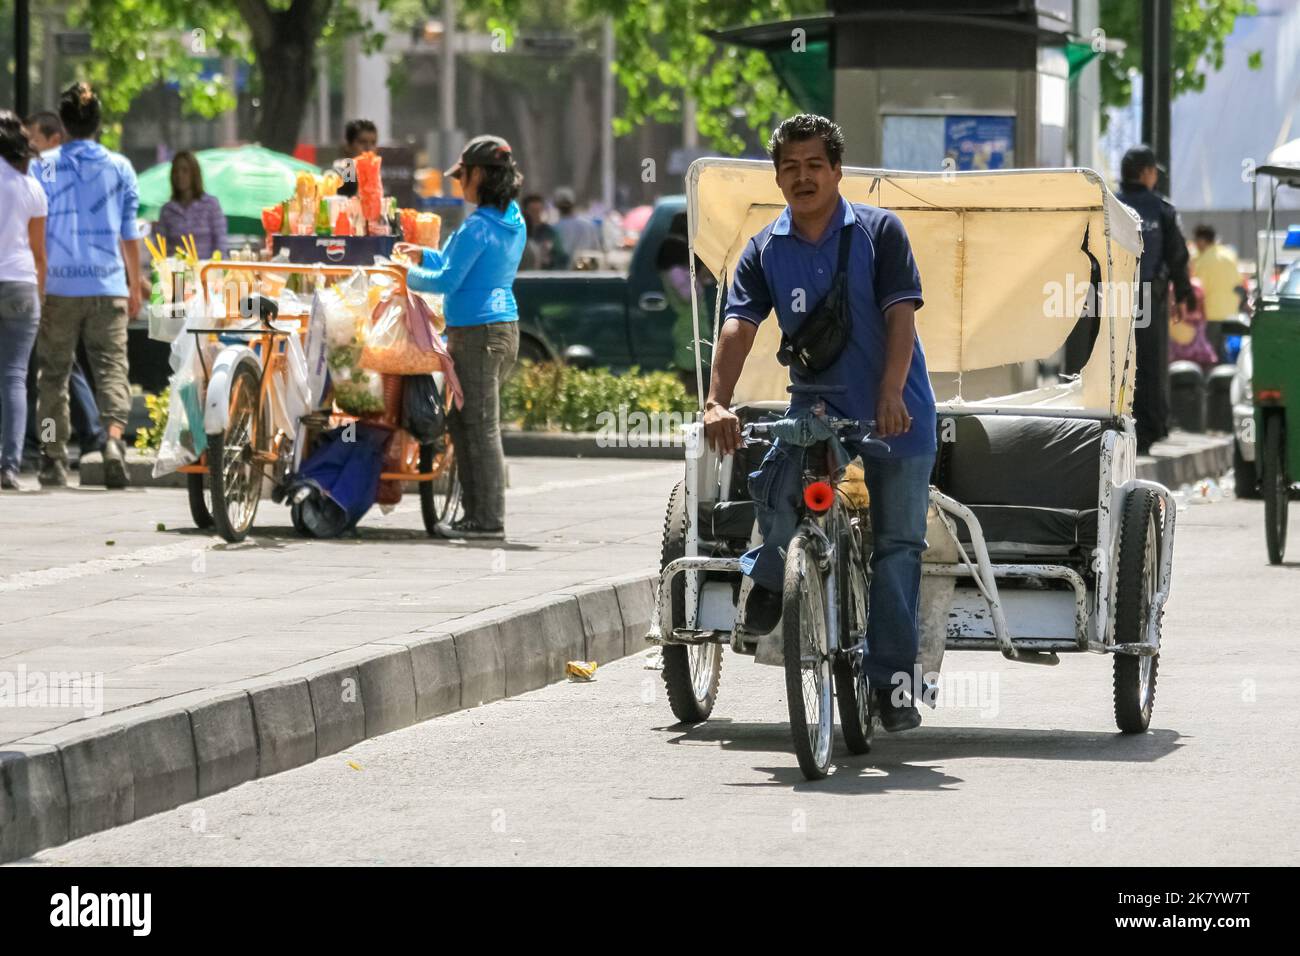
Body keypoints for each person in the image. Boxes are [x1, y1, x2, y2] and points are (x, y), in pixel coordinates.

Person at [703, 113, 936, 733]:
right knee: (777, 488)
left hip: (897, 414)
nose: (802, 178)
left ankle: (895, 687)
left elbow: (901, 319)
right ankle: (774, 577)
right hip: (817, 411)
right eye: (790, 168)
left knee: (897, 549)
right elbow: (738, 328)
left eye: (814, 166)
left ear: (837, 171)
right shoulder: (763, 250)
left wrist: (891, 393)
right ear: (777, 177)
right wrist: (716, 402)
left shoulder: (881, 232)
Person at [393, 134, 526, 540]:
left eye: (463, 174)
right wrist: (423, 256)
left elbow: (449, 280)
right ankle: (475, 516)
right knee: (465, 423)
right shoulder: (511, 220)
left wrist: (404, 275)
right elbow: (462, 265)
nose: (459, 182)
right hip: (501, 332)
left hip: (479, 336)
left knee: (481, 426)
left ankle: (488, 520)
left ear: (481, 175)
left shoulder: (478, 227)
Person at [30, 82, 142, 490]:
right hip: (107, 283)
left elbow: (33, 228)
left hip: (57, 286)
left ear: (64, 123)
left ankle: (51, 458)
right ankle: (113, 443)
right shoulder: (121, 168)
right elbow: (130, 233)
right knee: (112, 370)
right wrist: (134, 283)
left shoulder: (41, 166)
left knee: (52, 378)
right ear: (98, 123)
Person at [22, 110, 106, 461]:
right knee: (58, 370)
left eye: (33, 140)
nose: (28, 148)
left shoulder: (42, 174)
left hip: (51, 285)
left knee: (51, 375)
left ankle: (50, 446)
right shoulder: (82, 175)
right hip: (72, 282)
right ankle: (90, 436)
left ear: (55, 139)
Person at [1116, 145, 1195, 454]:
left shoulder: (1109, 205)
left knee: (1116, 362)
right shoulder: (1163, 210)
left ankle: (1113, 426)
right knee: (1149, 363)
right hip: (1149, 296)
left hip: (1112, 298)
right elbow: (1177, 256)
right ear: (1146, 173)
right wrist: (1184, 294)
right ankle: (1147, 430)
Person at [0, 112, 48, 491]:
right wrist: (41, 297)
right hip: (20, 285)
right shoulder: (31, 188)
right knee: (15, 377)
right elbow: (39, 254)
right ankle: (9, 467)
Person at [156, 150, 227, 260]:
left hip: (205, 272)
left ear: (194, 174)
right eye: (176, 171)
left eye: (185, 170)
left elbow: (220, 243)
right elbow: (159, 248)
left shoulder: (211, 205)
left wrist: (217, 272)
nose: (179, 175)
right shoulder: (167, 210)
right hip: (178, 274)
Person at [1191, 224, 1242, 363]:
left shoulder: (1203, 261)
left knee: (1210, 355)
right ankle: (1227, 382)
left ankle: (1212, 383)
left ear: (1201, 241)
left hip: (1211, 314)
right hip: (1230, 314)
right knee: (1224, 352)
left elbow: (1198, 290)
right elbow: (1239, 283)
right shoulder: (1230, 255)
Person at [552, 187, 603, 262]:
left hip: (562, 271)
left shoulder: (555, 228)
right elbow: (596, 250)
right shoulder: (588, 225)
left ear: (556, 205)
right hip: (585, 268)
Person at [520, 193, 566, 269]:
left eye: (538, 210)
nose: (535, 214)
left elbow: (560, 256)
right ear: (525, 211)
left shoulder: (550, 232)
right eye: (532, 210)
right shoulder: (519, 232)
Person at [334, 118, 378, 198]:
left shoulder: (373, 172)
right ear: (348, 146)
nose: (368, 148)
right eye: (362, 142)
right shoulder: (346, 168)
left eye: (373, 143)